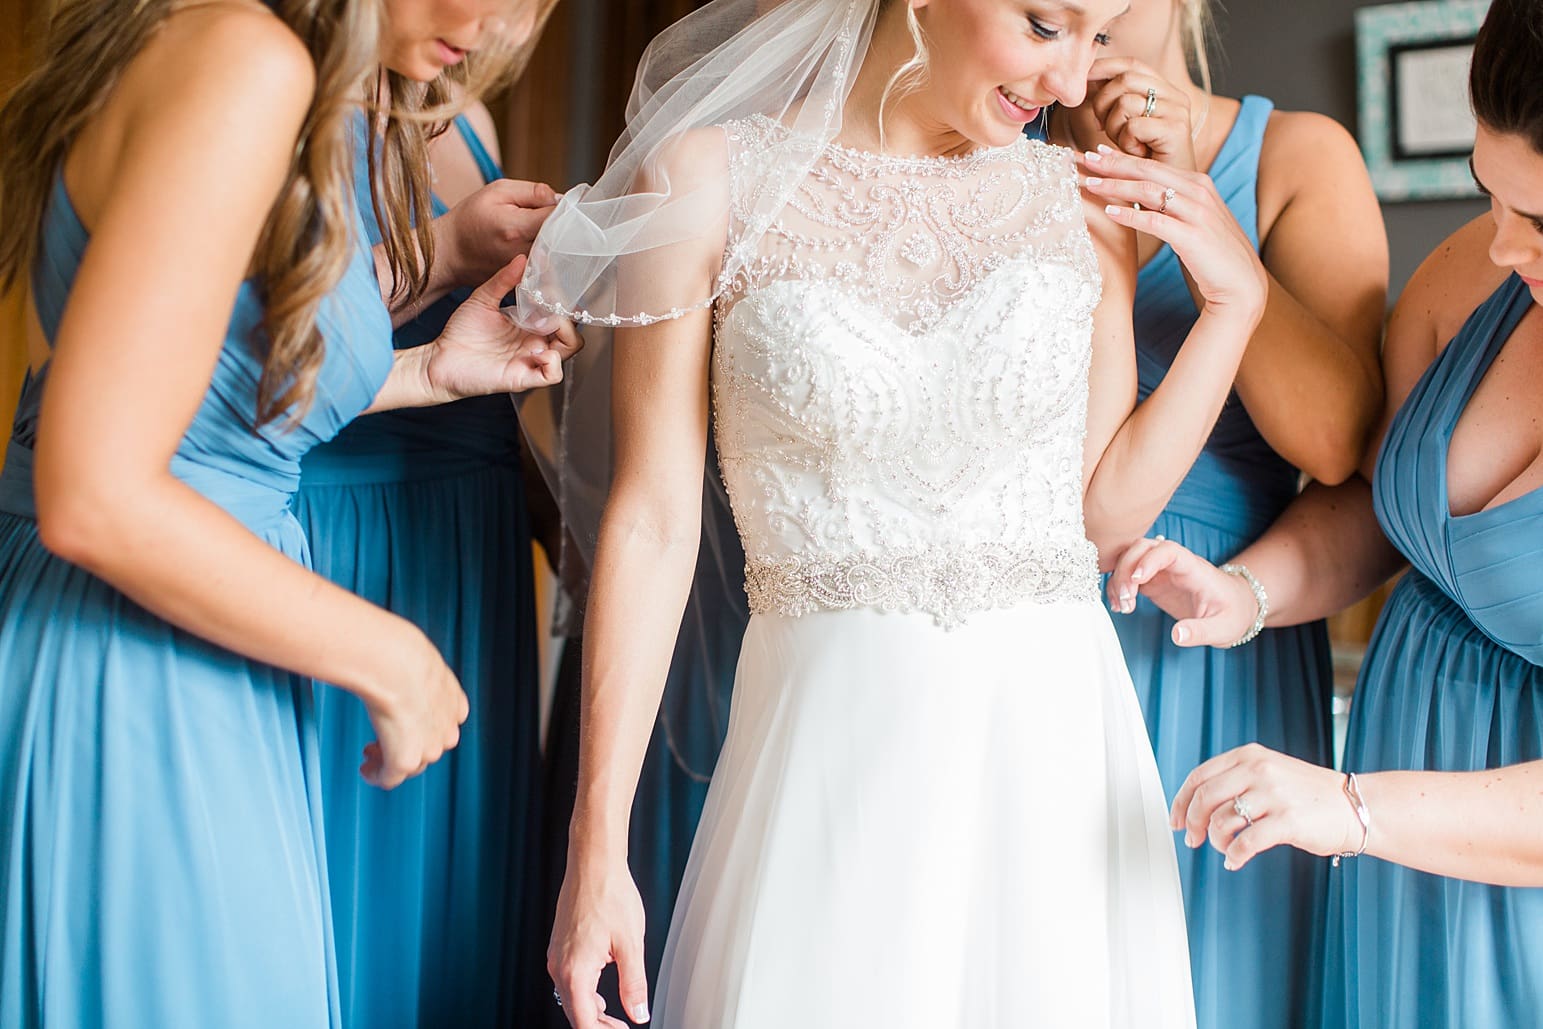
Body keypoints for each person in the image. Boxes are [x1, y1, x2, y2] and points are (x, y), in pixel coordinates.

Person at [520, 0, 1280, 1024]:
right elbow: (652, 519)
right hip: (828, 746)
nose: (1070, 85)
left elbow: (1093, 519)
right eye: (1044, 25)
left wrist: (1234, 311)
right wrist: (596, 847)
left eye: (1098, 37)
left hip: (1050, 741)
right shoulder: (707, 180)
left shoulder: (1080, 204)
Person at [0, 0, 577, 1024]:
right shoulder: (244, 59)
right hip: (139, 653)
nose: (491, 24)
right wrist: (389, 652)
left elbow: (210, 393)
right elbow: (93, 493)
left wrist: (429, 370)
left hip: (185, 640)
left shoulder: (225, 49)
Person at [1106, 1, 1543, 1024]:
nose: (1499, 247)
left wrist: (1350, 806)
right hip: (1387, 834)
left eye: (1542, 219)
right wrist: (1246, 591)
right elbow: (1385, 515)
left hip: (1486, 842)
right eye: (1492, 197)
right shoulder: (1474, 283)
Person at [1047, 1, 1387, 1024]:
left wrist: (1202, 213)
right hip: (1019, 614)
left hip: (1209, 641)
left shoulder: (1292, 155)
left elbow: (1337, 444)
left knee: (1211, 984)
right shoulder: (988, 137)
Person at [294, 75, 558, 1028]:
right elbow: (232, 352)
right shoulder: (270, 96)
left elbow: (479, 397)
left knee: (457, 923)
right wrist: (444, 256)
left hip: (471, 560)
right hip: (328, 546)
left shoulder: (470, 121)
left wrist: (555, 525)